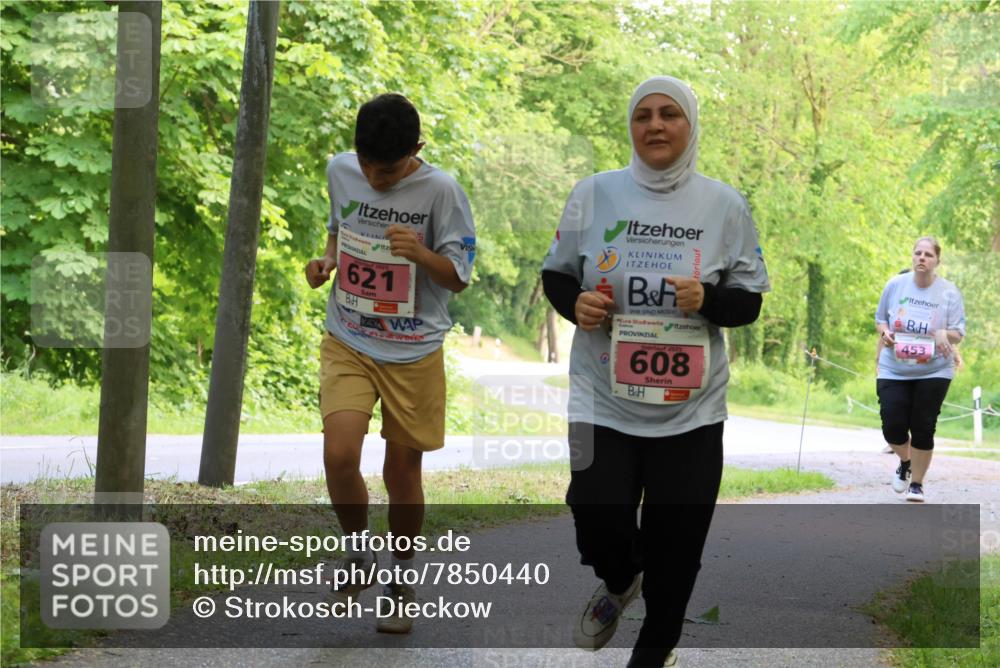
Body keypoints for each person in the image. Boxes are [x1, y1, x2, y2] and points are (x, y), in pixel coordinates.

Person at [542, 76, 769, 668]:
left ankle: (654, 647)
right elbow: (559, 273)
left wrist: (709, 300)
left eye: (670, 114)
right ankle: (620, 580)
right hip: (603, 398)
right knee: (596, 519)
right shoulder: (593, 193)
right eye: (643, 115)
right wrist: (577, 304)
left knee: (678, 545)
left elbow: (748, 301)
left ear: (690, 126)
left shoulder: (723, 206)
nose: (655, 126)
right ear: (631, 127)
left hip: (690, 410)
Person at [304, 93, 475, 633]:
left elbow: (459, 275)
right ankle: (358, 556)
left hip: (414, 351)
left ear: (417, 150)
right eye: (368, 166)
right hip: (349, 337)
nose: (375, 179)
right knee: (338, 453)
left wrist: (422, 255)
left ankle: (401, 579)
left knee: (401, 474)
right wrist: (327, 260)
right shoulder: (340, 170)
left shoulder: (441, 190)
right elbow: (339, 226)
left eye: (390, 170)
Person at [876, 236, 964, 502]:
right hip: (895, 367)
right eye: (918, 253)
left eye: (928, 254)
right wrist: (886, 333)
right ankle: (905, 461)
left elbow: (958, 333)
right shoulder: (895, 285)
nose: (922, 258)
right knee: (892, 426)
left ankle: (917, 484)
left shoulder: (949, 292)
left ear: (937, 260)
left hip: (934, 369)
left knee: (923, 426)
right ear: (912, 257)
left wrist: (942, 334)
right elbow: (880, 320)